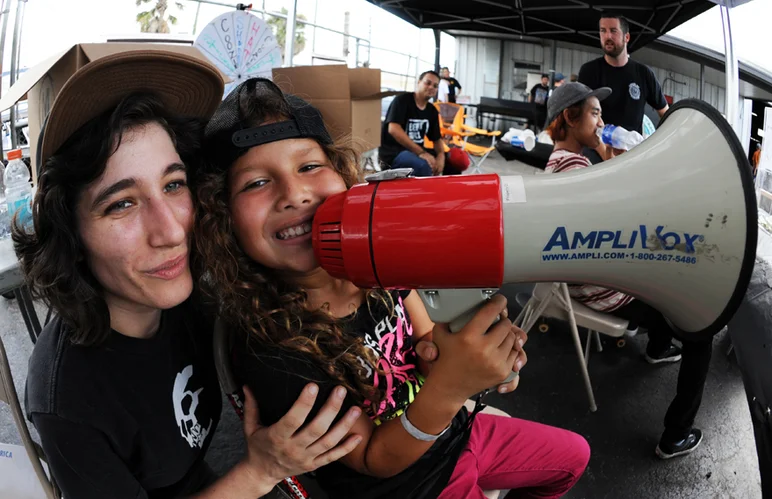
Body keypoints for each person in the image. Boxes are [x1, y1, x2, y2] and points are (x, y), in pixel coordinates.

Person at [195, 77, 591, 499]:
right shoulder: (271, 346)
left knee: (575, 456)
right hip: (412, 484)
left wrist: (476, 355)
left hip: (458, 432)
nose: (294, 194)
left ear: (342, 173)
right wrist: (453, 386)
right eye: (256, 182)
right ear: (223, 218)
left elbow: (426, 339)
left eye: (309, 166)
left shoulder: (380, 264)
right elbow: (373, 459)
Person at [14, 51, 363, 499]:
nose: (173, 230)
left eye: (173, 184)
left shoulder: (191, 289)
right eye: (121, 203)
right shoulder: (70, 400)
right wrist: (260, 472)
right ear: (71, 234)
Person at [543, 82, 714, 460]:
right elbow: (615, 230)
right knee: (701, 335)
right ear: (571, 119)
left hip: (583, 284)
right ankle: (676, 434)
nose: (602, 119)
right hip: (602, 291)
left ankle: (657, 346)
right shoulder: (577, 168)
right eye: (595, 113)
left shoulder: (559, 162)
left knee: (664, 286)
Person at [578, 13, 668, 139]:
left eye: (613, 31)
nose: (607, 36)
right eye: (603, 31)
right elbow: (582, 118)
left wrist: (659, 143)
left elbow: (665, 113)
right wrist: (604, 152)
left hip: (632, 152)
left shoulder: (644, 73)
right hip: (597, 151)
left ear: (626, 37)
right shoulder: (589, 71)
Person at [379, 70, 446, 176]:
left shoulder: (431, 110)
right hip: (394, 153)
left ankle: (449, 191)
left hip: (415, 152)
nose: (431, 87)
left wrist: (441, 156)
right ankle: (427, 192)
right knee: (424, 165)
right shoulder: (402, 101)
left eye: (435, 85)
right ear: (418, 82)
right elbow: (393, 129)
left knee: (457, 158)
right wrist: (421, 153)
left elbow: (436, 138)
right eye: (427, 83)